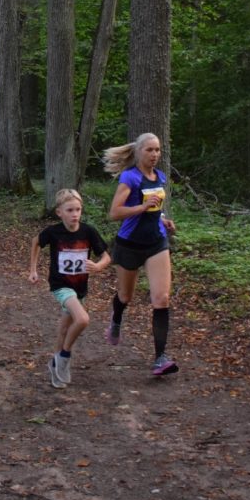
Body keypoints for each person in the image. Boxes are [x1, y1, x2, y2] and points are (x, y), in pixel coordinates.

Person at [103, 132, 179, 378]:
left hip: (156, 243)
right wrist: (143, 207)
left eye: (157, 150)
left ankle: (160, 358)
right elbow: (115, 213)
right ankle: (116, 319)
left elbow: (156, 209)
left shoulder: (160, 177)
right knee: (125, 296)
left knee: (162, 298)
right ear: (139, 152)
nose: (155, 154)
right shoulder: (130, 177)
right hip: (129, 244)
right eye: (150, 150)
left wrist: (163, 219)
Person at [29, 189, 111, 389]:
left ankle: (55, 366)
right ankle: (64, 356)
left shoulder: (88, 231)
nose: (75, 214)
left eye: (78, 210)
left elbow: (107, 256)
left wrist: (98, 266)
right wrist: (33, 270)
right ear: (59, 212)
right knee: (82, 319)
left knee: (65, 329)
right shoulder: (53, 232)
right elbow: (36, 242)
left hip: (80, 286)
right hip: (61, 285)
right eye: (70, 210)